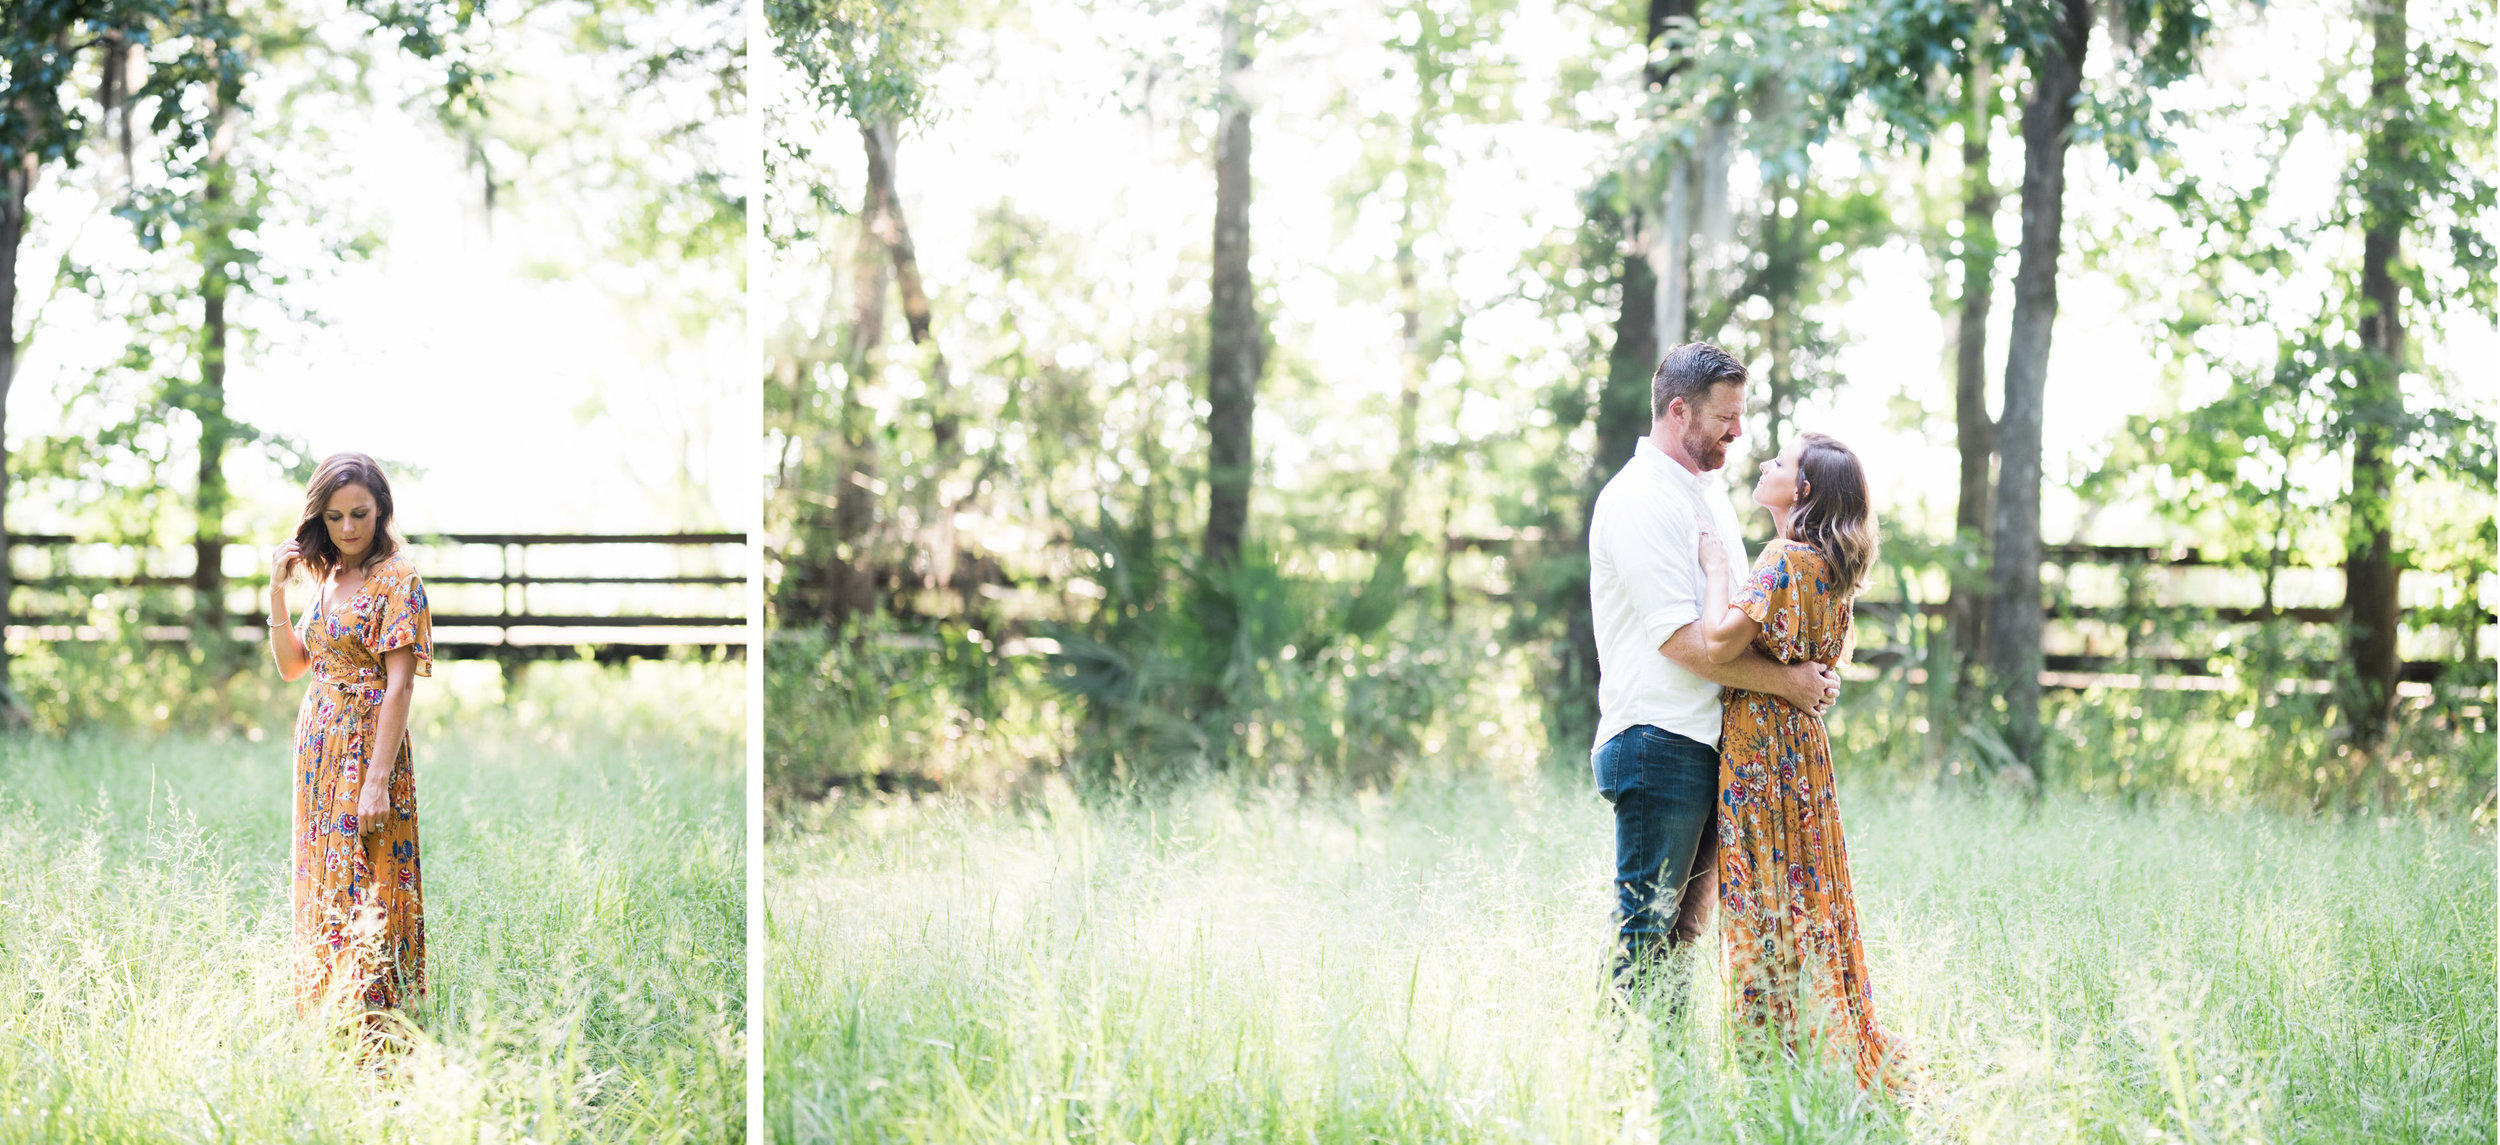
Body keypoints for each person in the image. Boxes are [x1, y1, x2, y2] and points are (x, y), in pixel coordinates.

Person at [1587, 342, 1841, 1003]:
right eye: (1725, 417)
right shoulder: (1642, 499)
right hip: (1657, 737)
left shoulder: (1707, 495)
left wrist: (1810, 663)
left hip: (1704, 742)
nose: (1737, 430)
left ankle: (1666, 1083)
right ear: (1679, 411)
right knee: (1646, 930)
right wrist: (1789, 683)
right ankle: (1614, 1081)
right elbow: (1681, 640)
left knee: (1681, 936)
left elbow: (1738, 617)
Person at [1696, 431, 1915, 1095]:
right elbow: (1822, 666)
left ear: (1805, 490)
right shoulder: (1832, 569)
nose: (1766, 463)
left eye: (1781, 462)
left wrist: (1713, 573)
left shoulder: (1782, 557)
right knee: (1808, 899)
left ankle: (1772, 1064)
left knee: (1761, 900)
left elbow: (1715, 641)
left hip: (1760, 749)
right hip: (1806, 755)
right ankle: (1821, 1043)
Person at [266, 452, 432, 1047]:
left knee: (371, 882)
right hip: (316, 749)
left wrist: (376, 780)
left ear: (381, 509)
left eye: (359, 514)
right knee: (324, 881)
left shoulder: (398, 579)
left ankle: (382, 1038)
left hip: (368, 752)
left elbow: (400, 684)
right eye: (334, 517)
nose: (348, 529)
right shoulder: (329, 575)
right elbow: (293, 668)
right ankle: (329, 1026)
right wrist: (277, 595)